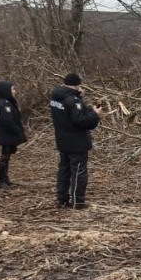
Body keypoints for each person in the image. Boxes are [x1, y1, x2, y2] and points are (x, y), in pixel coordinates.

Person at [50, 73, 101, 209]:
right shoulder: (72, 100)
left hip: (62, 140)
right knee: (79, 171)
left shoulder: (56, 97)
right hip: (76, 142)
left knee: (64, 170)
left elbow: (69, 115)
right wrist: (95, 114)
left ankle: (62, 199)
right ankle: (78, 201)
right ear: (77, 85)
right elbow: (81, 121)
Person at [0, 81, 26, 189]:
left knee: (6, 157)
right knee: (4, 157)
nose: (14, 91)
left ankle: (5, 178)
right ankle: (2, 180)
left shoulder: (2, 102)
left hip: (5, 135)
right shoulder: (4, 104)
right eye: (12, 89)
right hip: (6, 136)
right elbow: (8, 122)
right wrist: (17, 130)